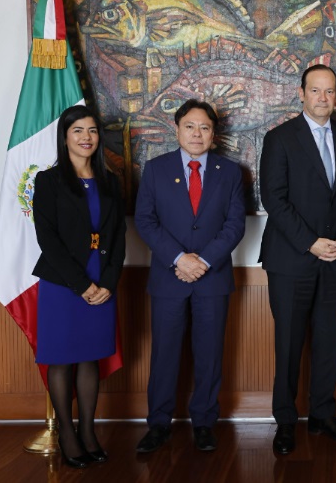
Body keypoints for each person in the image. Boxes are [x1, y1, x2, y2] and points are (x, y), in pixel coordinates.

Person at [259, 64, 336, 455]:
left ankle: (323, 415)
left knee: (330, 341)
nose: (323, 98)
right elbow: (274, 199)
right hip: (291, 260)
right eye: (316, 91)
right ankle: (286, 421)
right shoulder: (279, 138)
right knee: (289, 344)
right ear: (301, 93)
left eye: (330, 91)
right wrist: (311, 243)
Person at [135, 99, 246, 453]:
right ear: (176, 129)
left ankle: (204, 422)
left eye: (205, 128)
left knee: (209, 353)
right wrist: (180, 259)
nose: (197, 134)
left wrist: (205, 261)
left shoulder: (230, 172)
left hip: (212, 278)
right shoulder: (155, 169)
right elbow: (145, 222)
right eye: (190, 126)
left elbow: (234, 225)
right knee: (165, 353)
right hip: (169, 277)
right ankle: (158, 424)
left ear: (214, 134)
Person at [32, 105, 126, 468]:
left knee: (90, 356)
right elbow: (48, 239)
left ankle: (88, 431)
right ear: (65, 137)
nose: (87, 137)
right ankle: (67, 434)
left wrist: (108, 281)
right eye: (78, 131)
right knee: (61, 358)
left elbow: (118, 237)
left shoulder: (110, 181)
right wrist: (81, 284)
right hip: (63, 282)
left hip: (101, 279)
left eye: (92, 131)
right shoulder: (49, 181)